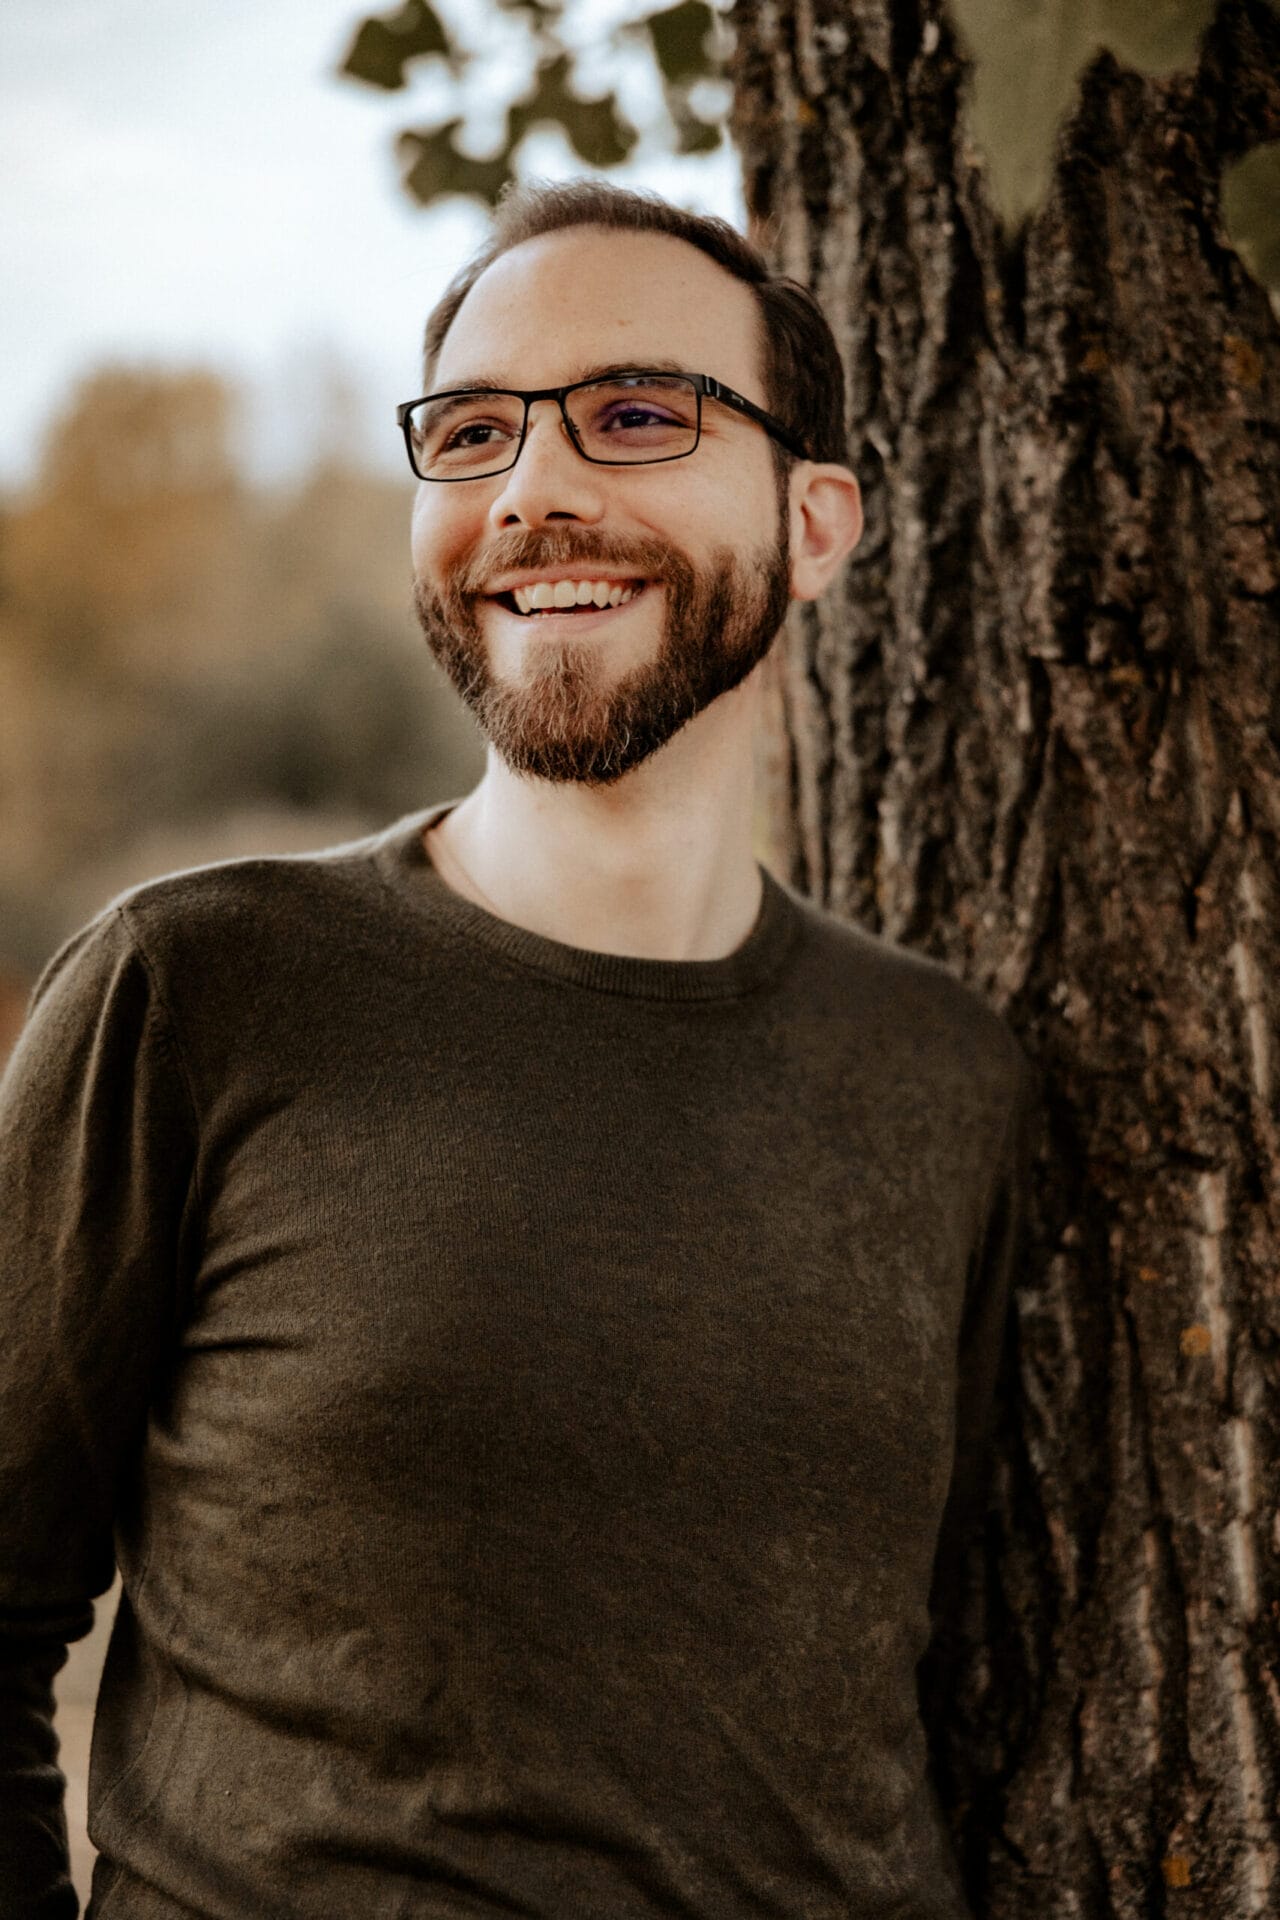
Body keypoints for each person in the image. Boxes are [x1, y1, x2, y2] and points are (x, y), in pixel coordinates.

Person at [0, 177, 1040, 1919]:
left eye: (638, 416)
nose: (535, 490)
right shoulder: (199, 990)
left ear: (818, 521)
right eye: (473, 434)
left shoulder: (946, 1080)